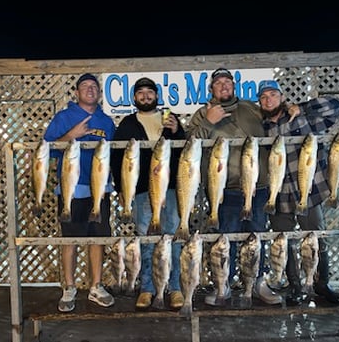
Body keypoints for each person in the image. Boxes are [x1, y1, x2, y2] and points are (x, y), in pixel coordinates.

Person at [187, 68, 282, 306]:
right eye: (217, 83)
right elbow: (189, 144)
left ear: (234, 85)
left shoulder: (253, 108)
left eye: (227, 82)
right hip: (223, 189)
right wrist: (209, 122)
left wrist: (290, 107)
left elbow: (275, 117)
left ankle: (258, 282)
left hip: (258, 187)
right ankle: (223, 285)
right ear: (211, 89)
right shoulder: (202, 113)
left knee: (257, 236)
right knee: (224, 239)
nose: (223, 86)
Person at [258, 79, 339, 306]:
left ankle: (321, 284)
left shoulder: (304, 117)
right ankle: (295, 286)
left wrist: (304, 106)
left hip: (309, 191)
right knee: (283, 242)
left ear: (281, 97)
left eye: (273, 95)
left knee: (316, 238)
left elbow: (337, 106)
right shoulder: (261, 127)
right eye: (264, 97)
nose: (269, 100)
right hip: (278, 195)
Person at [110, 77, 186, 310]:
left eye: (149, 92)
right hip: (142, 190)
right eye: (140, 92)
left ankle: (174, 289)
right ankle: (147, 289)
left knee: (172, 239)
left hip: (171, 189)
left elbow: (185, 154)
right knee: (146, 241)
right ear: (134, 98)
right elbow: (116, 159)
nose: (145, 96)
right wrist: (122, 190)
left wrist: (177, 131)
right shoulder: (127, 124)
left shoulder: (170, 118)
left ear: (156, 96)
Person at [43, 73, 116, 312]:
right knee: (70, 239)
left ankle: (96, 285)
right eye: (85, 86)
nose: (90, 90)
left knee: (97, 238)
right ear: (76, 92)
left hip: (100, 190)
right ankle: (69, 287)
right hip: (71, 189)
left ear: (99, 93)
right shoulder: (64, 118)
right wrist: (70, 137)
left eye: (94, 87)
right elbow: (47, 150)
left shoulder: (106, 121)